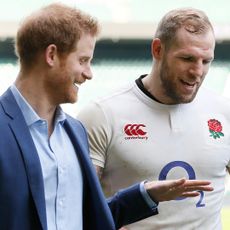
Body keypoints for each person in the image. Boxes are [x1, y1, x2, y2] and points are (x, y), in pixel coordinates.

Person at [0, 3, 214, 230]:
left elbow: (90, 218)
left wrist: (144, 195)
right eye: (83, 60)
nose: (89, 73)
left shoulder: (74, 131)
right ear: (51, 55)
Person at [78, 7, 230, 230]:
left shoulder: (223, 111)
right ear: (158, 49)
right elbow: (77, 208)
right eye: (187, 58)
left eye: (206, 61)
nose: (197, 71)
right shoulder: (102, 114)